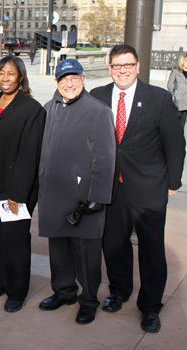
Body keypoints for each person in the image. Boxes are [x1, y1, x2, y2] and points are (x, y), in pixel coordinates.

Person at [90, 44, 186, 333]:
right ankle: (119, 291)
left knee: (152, 250)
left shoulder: (158, 98)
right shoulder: (98, 97)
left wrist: (173, 182)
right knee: (114, 244)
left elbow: (175, 143)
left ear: (138, 66)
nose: (122, 71)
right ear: (110, 68)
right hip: (111, 188)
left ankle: (151, 307)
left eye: (127, 65)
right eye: (117, 66)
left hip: (148, 187)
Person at [38, 59, 116, 325]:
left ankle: (89, 299)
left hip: (83, 196)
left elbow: (105, 158)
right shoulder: (49, 108)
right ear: (57, 82)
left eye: (74, 78)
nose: (68, 84)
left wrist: (97, 196)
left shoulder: (98, 111)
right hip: (54, 192)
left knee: (86, 254)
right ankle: (63, 291)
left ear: (83, 79)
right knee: (58, 248)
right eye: (63, 79)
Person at [0, 56, 45, 312]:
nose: (5, 78)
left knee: (15, 240)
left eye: (11, 74)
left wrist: (18, 194)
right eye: (1, 73)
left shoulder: (31, 109)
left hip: (14, 187)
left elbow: (30, 154)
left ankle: (17, 291)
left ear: (21, 77)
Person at [167, 53, 187, 127]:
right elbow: (170, 84)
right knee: (176, 119)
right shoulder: (176, 71)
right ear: (183, 61)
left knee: (183, 120)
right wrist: (174, 94)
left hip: (186, 100)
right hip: (178, 99)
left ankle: (180, 137)